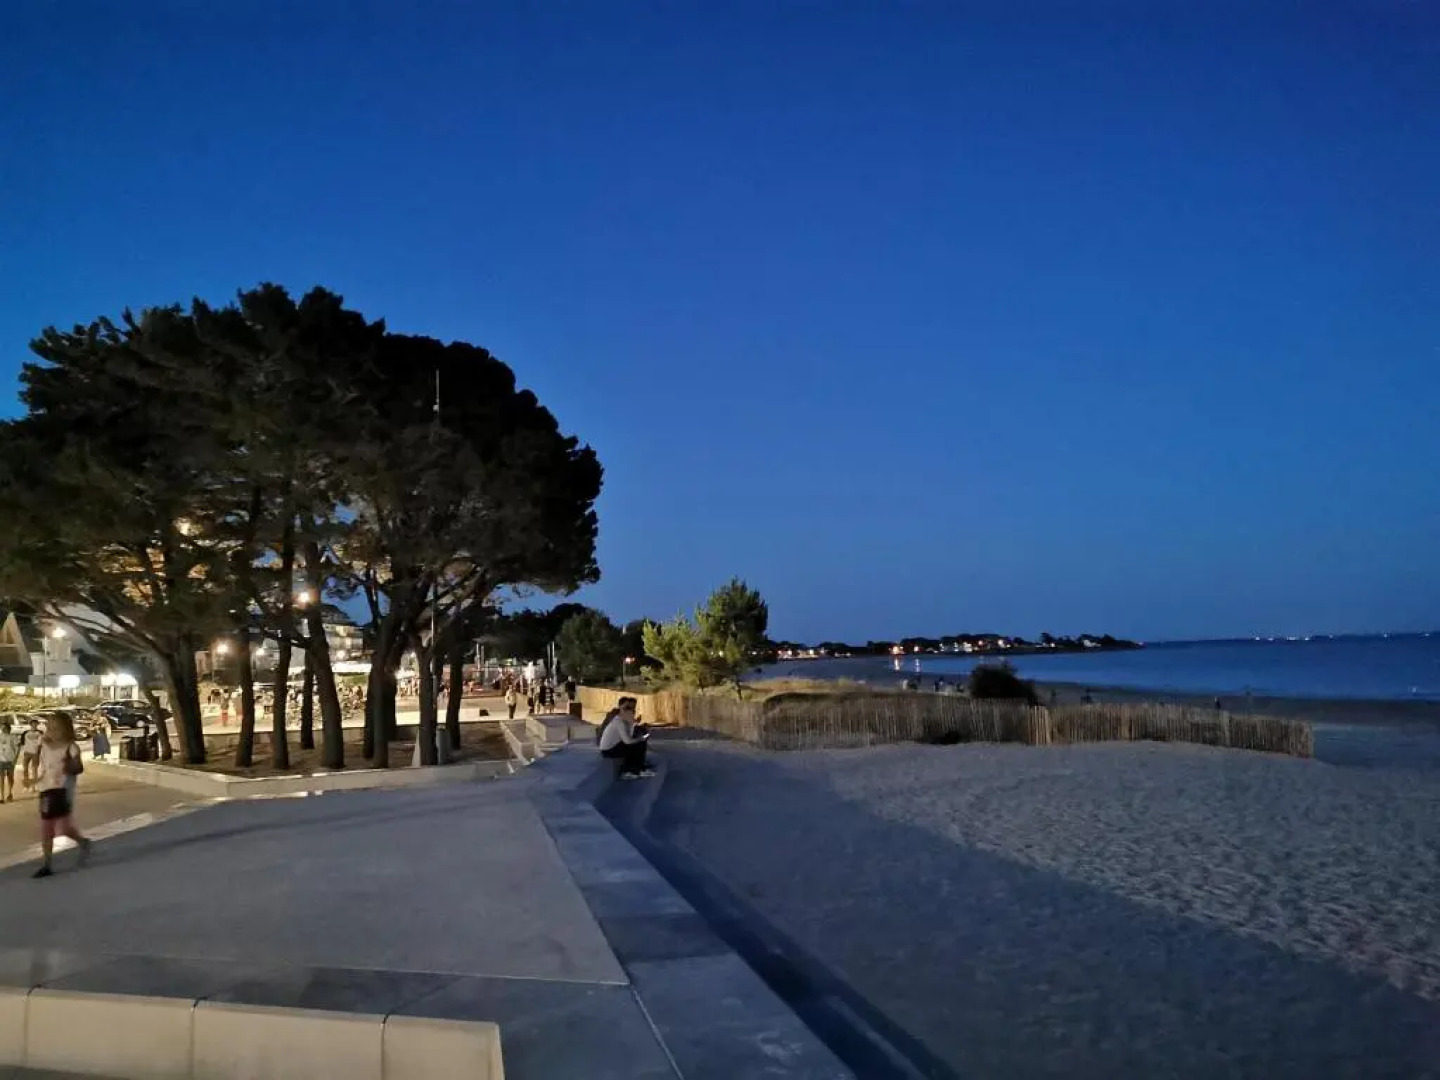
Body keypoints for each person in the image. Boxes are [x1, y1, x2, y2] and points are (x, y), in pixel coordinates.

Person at [32, 713, 90, 878]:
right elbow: (39, 759)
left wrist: (69, 766)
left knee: (64, 827)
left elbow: (79, 768)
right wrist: (33, 776)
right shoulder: (43, 743)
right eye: (49, 727)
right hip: (46, 790)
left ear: (66, 729)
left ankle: (83, 842)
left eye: (56, 728)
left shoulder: (71, 747)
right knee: (46, 827)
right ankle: (47, 864)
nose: (51, 731)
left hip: (64, 792)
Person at [598, 700, 652, 778]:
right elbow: (628, 741)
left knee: (638, 743)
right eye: (630, 714)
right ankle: (633, 770)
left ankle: (637, 768)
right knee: (637, 745)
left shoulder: (623, 721)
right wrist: (641, 739)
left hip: (613, 747)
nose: (632, 716)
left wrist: (632, 724)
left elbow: (629, 736)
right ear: (625, 713)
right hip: (608, 751)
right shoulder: (619, 722)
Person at [19, 718, 43, 791]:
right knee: (25, 769)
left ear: (37, 725)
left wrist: (39, 752)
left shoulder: (40, 733)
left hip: (35, 753)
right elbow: (22, 742)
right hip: (27, 753)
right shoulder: (25, 733)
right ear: (30, 725)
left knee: (34, 769)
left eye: (36, 724)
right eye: (33, 724)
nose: (34, 725)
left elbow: (42, 744)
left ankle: (34, 786)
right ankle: (26, 785)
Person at [0, 718, 17, 802]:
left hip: (10, 760)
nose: (3, 729)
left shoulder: (13, 737)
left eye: (4, 727)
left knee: (10, 778)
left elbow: (17, 749)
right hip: (1, 760)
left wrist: (15, 759)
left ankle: (10, 794)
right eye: (2, 727)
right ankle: (2, 797)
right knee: (1, 779)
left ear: (8, 728)